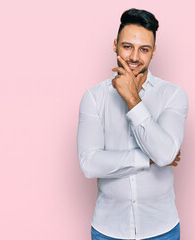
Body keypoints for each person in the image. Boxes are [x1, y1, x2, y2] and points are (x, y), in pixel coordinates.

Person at [77, 8, 188, 240]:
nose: (134, 57)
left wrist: (132, 100)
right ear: (115, 44)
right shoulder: (94, 97)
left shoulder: (173, 95)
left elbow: (166, 155)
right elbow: (89, 163)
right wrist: (147, 158)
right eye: (127, 46)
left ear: (154, 52)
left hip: (162, 229)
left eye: (144, 49)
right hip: (108, 229)